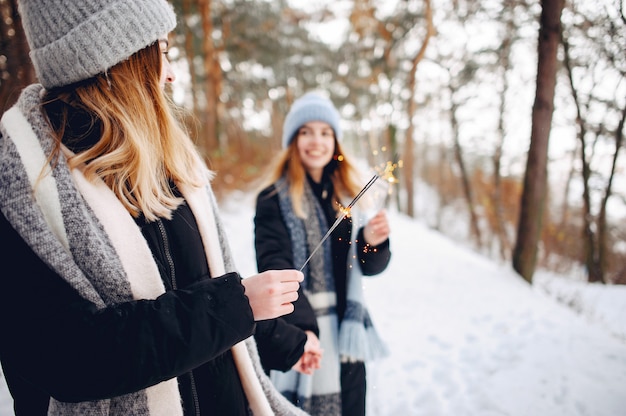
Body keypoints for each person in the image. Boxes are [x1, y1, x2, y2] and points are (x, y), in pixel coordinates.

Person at [0, 1, 309, 415]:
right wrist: (234, 306)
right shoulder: (21, 179)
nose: (171, 72)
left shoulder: (169, 161)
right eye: (161, 50)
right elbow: (66, 356)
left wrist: (288, 342)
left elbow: (205, 283)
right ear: (115, 55)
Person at [253, 92, 392, 416]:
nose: (316, 141)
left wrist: (372, 242)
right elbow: (276, 263)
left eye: (325, 132)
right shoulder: (272, 199)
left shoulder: (347, 198)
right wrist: (303, 329)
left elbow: (366, 266)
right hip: (298, 329)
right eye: (306, 131)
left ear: (335, 140)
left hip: (345, 338)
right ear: (293, 140)